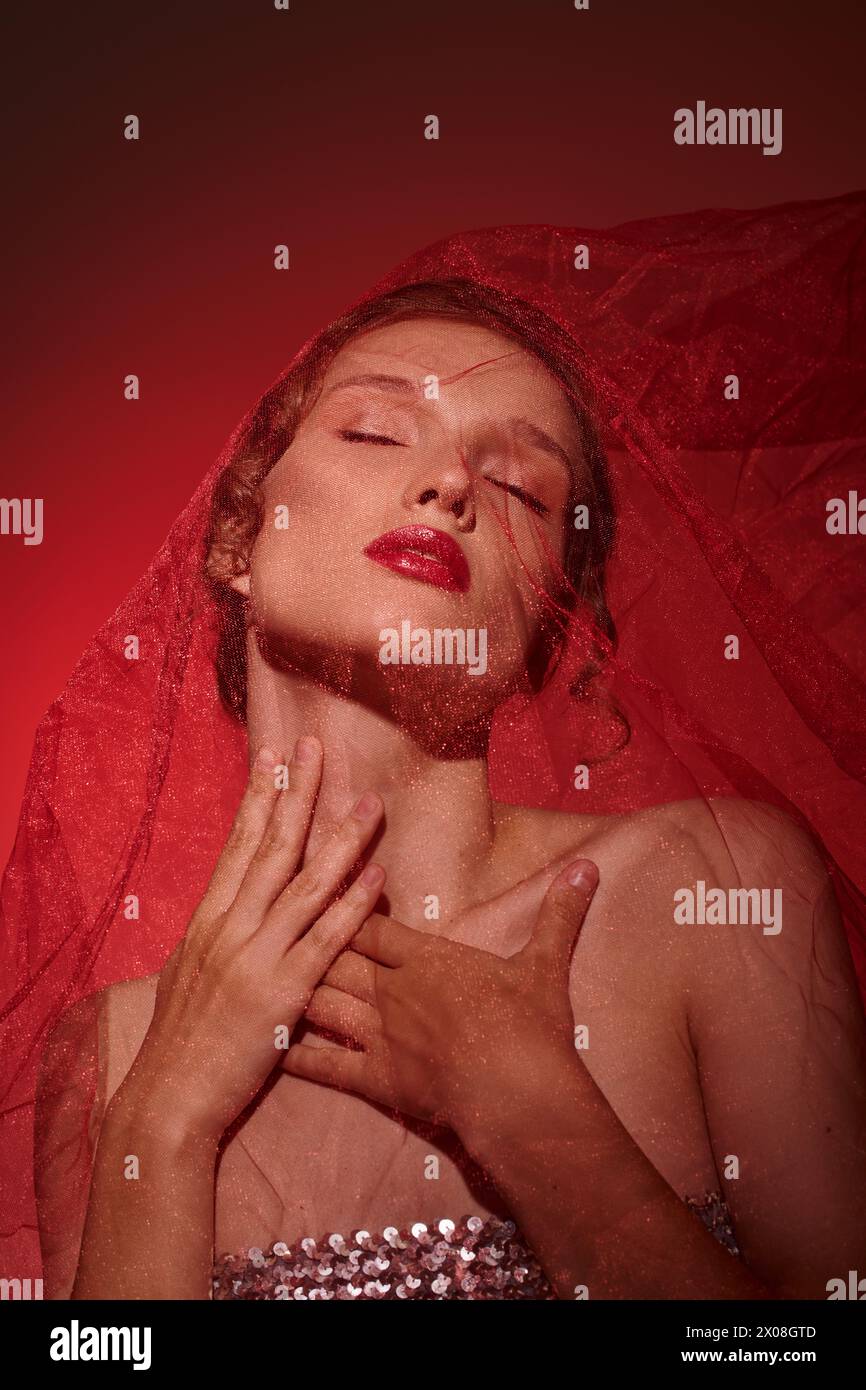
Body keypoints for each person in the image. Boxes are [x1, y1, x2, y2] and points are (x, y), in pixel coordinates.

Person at [4, 199, 866, 1301]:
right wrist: (164, 1117)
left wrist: (528, 1114)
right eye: (371, 431)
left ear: (552, 624)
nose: (451, 483)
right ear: (234, 538)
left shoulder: (714, 890)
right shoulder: (114, 1050)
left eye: (518, 486)